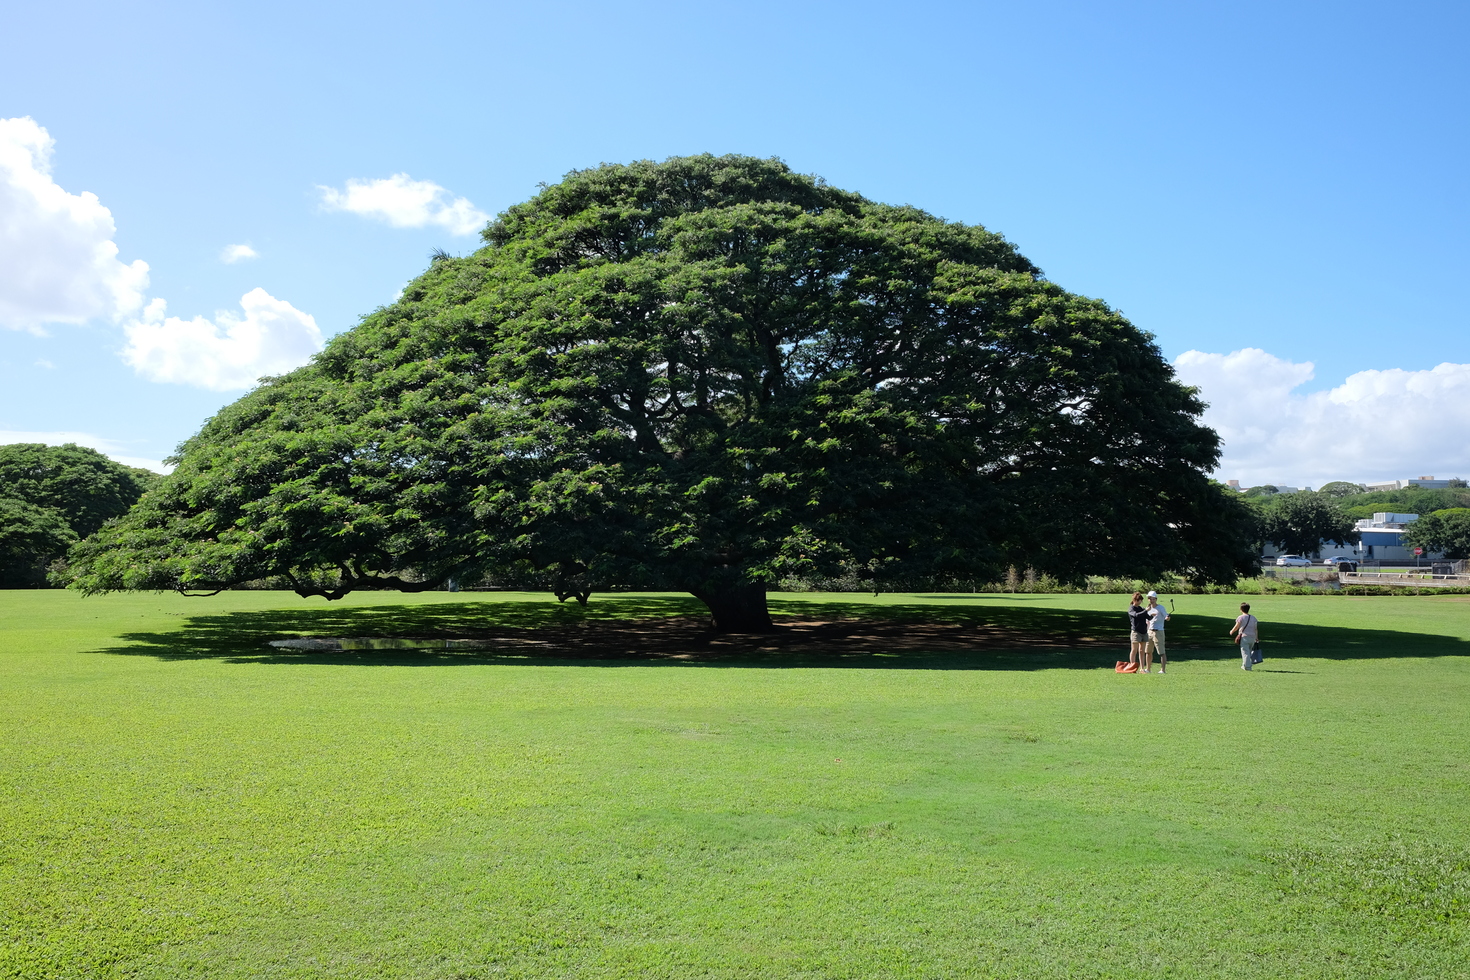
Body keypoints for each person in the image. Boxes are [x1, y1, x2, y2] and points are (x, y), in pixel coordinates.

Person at [1229, 602, 1259, 671]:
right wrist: (1256, 637)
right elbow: (1255, 629)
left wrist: (1232, 631)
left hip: (1244, 637)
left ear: (1241, 609)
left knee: (1245, 652)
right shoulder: (1253, 618)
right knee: (1249, 652)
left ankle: (1248, 667)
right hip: (1252, 637)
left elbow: (1237, 626)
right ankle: (1244, 665)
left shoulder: (1241, 617)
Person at [1144, 591, 1169, 673]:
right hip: (1149, 632)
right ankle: (1148, 669)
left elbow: (1166, 616)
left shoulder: (1160, 608)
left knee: (1161, 652)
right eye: (1150, 598)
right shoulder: (1147, 609)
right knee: (1148, 651)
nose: (1151, 600)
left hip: (1159, 632)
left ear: (1156, 599)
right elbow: (1146, 620)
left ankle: (1163, 670)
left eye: (1153, 598)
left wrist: (1167, 618)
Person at [1126, 592, 1149, 672]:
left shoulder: (1141, 608)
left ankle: (1142, 668)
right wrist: (1145, 610)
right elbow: (1136, 615)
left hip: (1144, 631)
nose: (1140, 602)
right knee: (1134, 650)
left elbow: (1148, 617)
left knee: (1142, 651)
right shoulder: (1131, 609)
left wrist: (1153, 614)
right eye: (1139, 600)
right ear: (1134, 600)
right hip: (1136, 631)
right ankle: (1132, 667)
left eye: (1141, 601)